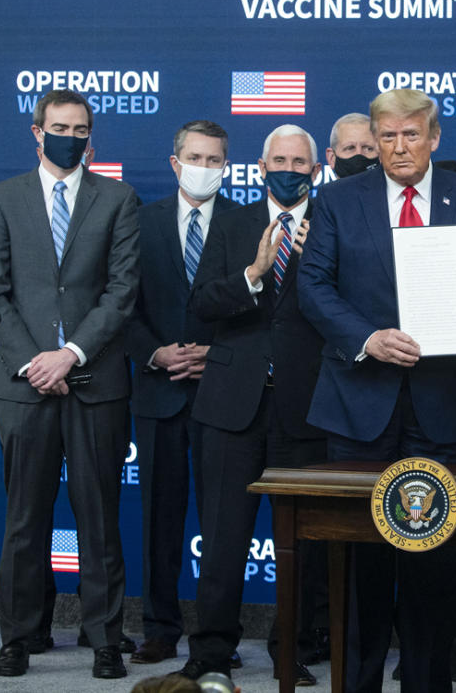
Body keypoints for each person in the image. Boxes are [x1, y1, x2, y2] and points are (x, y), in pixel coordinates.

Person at [298, 88, 456, 693]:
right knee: (361, 563)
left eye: (411, 135)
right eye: (387, 137)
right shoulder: (337, 199)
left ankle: (427, 683)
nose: (398, 148)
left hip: (444, 407)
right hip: (359, 405)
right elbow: (314, 288)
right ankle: (357, 685)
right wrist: (367, 338)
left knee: (436, 564)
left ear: (434, 138)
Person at [0, 89, 140, 680]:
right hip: (23, 386)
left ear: (91, 136)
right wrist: (35, 363)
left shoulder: (119, 199)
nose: (70, 135)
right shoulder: (2, 198)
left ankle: (104, 638)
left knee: (98, 515)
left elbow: (121, 293)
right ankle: (19, 637)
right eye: (59, 126)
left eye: (80, 127)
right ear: (37, 131)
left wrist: (69, 355)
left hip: (94, 381)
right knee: (24, 518)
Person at [173, 124, 325, 687]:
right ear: (260, 168)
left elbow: (352, 304)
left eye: (299, 161)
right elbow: (202, 302)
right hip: (230, 405)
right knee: (222, 537)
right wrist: (254, 274)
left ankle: (294, 650)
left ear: (315, 170)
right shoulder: (231, 220)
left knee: (304, 547)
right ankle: (211, 651)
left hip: (305, 407)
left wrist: (316, 270)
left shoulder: (330, 222)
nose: (288, 168)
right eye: (278, 159)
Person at [126, 120, 241, 666]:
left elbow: (257, 305)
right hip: (158, 389)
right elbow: (119, 302)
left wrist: (211, 354)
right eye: (195, 156)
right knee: (159, 518)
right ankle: (159, 628)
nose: (204, 166)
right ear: (175, 162)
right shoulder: (139, 220)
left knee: (224, 524)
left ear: (226, 165)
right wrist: (157, 353)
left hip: (225, 394)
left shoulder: (245, 222)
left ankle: (220, 636)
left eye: (214, 159)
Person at [325, 112, 379, 178]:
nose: (359, 154)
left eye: (368, 149)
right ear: (332, 158)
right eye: (350, 148)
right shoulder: (323, 189)